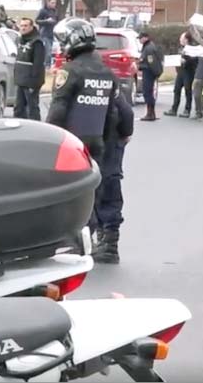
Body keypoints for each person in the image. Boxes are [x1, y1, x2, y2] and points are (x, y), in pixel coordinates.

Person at [46, 17, 119, 164]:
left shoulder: (70, 70)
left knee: (68, 185)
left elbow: (58, 109)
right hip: (97, 142)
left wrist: (49, 140)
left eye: (63, 40)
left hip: (72, 142)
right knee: (95, 184)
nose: (61, 45)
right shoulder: (108, 73)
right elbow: (111, 114)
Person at [89, 70, 134, 264]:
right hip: (112, 140)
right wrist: (124, 133)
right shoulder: (108, 80)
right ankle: (107, 241)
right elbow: (127, 113)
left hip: (89, 142)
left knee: (96, 189)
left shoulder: (74, 78)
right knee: (108, 186)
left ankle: (103, 241)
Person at [13, 17, 46, 120]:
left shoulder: (37, 42)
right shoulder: (19, 40)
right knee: (19, 108)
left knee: (32, 107)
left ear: (31, 27)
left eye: (26, 26)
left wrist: (34, 83)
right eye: (21, 26)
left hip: (31, 81)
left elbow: (38, 64)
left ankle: (36, 130)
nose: (23, 28)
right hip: (21, 80)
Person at [164, 31, 197, 118]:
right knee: (176, 90)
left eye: (181, 38)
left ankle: (187, 109)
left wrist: (186, 61)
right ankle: (174, 109)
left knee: (187, 90)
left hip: (188, 72)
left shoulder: (192, 49)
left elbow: (195, 60)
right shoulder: (180, 48)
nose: (180, 40)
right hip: (180, 71)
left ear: (186, 39)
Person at [137, 32, 163, 121]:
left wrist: (155, 73)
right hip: (148, 71)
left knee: (147, 92)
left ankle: (150, 113)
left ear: (145, 38)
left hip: (148, 72)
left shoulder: (148, 48)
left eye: (141, 38)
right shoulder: (148, 46)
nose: (140, 40)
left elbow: (151, 62)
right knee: (149, 92)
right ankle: (151, 113)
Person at [35, 0, 59, 68]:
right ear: (48, 3)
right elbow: (37, 21)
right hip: (44, 34)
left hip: (52, 34)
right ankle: (46, 67)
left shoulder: (55, 11)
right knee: (48, 52)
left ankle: (47, 66)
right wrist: (46, 21)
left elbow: (57, 20)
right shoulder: (43, 11)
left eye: (55, 3)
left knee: (51, 52)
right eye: (52, 3)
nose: (54, 4)